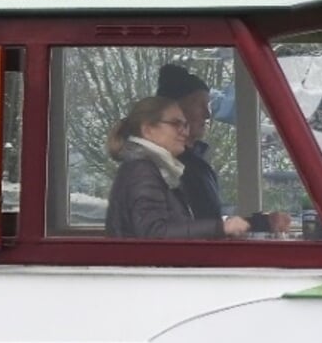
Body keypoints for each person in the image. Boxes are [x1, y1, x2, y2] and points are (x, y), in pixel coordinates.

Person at [156, 64, 290, 235]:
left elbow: (207, 223)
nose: (208, 114)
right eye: (199, 104)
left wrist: (261, 223)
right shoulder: (163, 168)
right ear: (175, 111)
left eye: (209, 105)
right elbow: (179, 232)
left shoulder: (196, 165)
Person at [105, 95, 251, 239]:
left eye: (186, 125)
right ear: (148, 130)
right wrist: (220, 227)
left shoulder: (151, 168)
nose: (185, 132)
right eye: (176, 124)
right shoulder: (142, 170)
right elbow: (153, 232)